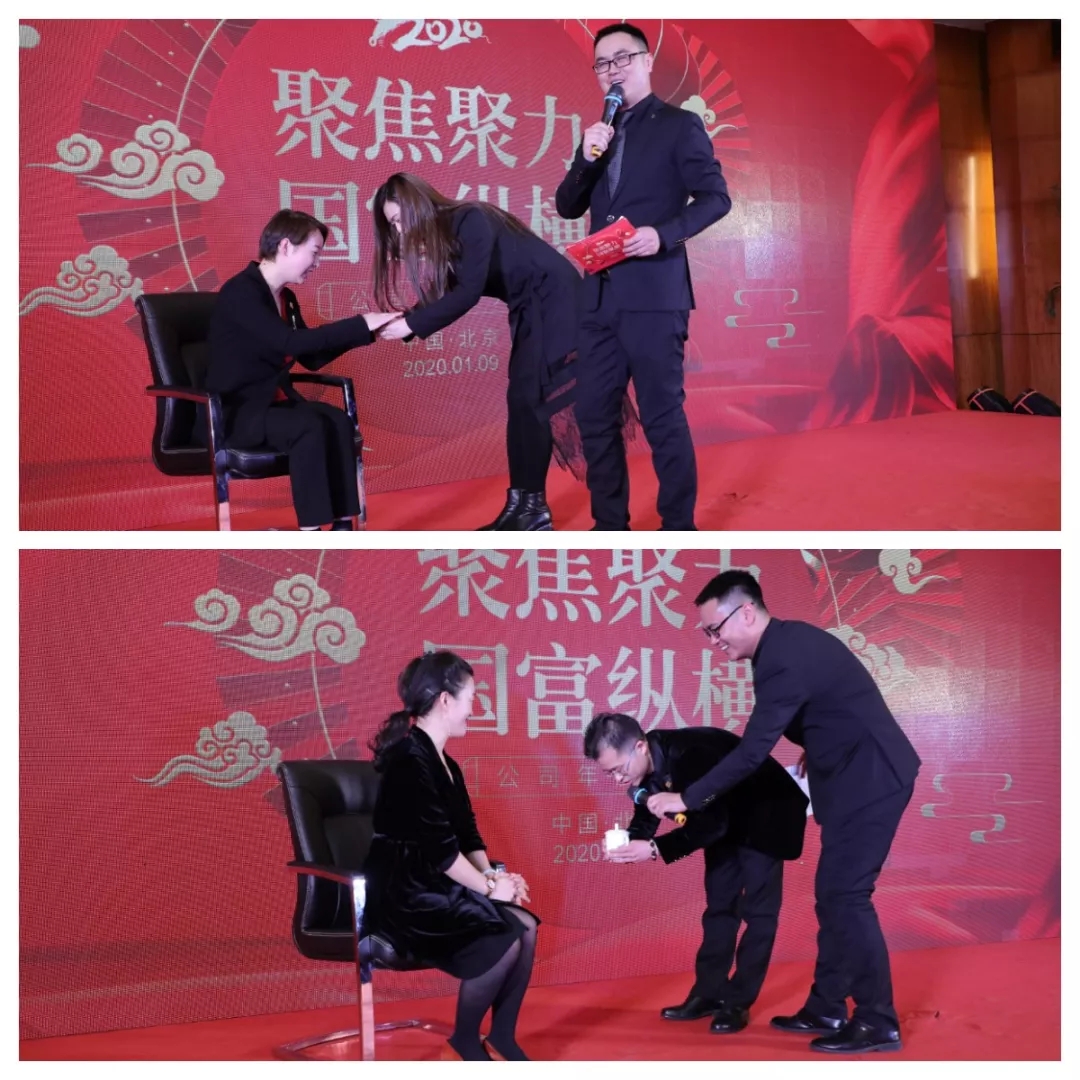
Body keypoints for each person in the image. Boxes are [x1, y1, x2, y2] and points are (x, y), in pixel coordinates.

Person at [647, 571, 922, 1054]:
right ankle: (827, 1006)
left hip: (871, 779)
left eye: (714, 629)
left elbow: (753, 752)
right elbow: (833, 701)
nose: (713, 641)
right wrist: (818, 741)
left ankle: (877, 1021)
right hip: (850, 776)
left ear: (746, 612)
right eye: (705, 633)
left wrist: (687, 799)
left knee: (845, 896)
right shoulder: (783, 646)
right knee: (833, 896)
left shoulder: (782, 659)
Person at [555, 22, 732, 531]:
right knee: (594, 415)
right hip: (599, 299)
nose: (612, 70)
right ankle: (610, 525)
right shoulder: (599, 134)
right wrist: (586, 158)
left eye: (622, 58)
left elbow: (716, 198)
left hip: (654, 294)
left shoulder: (679, 125)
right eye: (602, 63)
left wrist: (663, 234)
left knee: (660, 415)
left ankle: (679, 525)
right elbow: (568, 206)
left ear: (647, 61)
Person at [371, 172, 594, 530]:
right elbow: (447, 294)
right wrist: (405, 318)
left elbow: (467, 293)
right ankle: (522, 506)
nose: (398, 232)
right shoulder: (450, 235)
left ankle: (532, 511)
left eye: (399, 220)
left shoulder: (470, 218)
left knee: (532, 401)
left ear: (417, 205)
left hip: (556, 300)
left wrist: (411, 325)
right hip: (530, 307)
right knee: (521, 402)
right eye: (392, 225)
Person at [584, 711, 808, 1035]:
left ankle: (737, 1002)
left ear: (640, 747)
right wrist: (630, 842)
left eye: (619, 769)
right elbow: (648, 813)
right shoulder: (646, 766)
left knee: (759, 914)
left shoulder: (690, 753)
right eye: (610, 774)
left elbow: (713, 823)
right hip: (725, 822)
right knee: (719, 908)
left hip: (766, 814)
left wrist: (655, 849)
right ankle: (707, 993)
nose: (618, 779)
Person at [364, 651, 538, 1061]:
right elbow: (442, 851)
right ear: (445, 700)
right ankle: (465, 1040)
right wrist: (490, 888)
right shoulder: (409, 759)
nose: (474, 709)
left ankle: (502, 1036)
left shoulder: (447, 764)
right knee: (502, 937)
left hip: (436, 881)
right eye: (471, 698)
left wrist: (497, 877)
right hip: (403, 891)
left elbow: (467, 835)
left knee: (527, 926)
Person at [207, 209, 400, 529]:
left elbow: (310, 357)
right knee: (308, 426)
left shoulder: (286, 298)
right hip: (238, 411)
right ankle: (311, 528)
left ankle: (342, 525)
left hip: (273, 406)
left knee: (337, 420)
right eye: (315, 252)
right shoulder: (241, 292)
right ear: (286, 246)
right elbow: (288, 342)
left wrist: (368, 333)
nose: (317, 263)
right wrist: (359, 323)